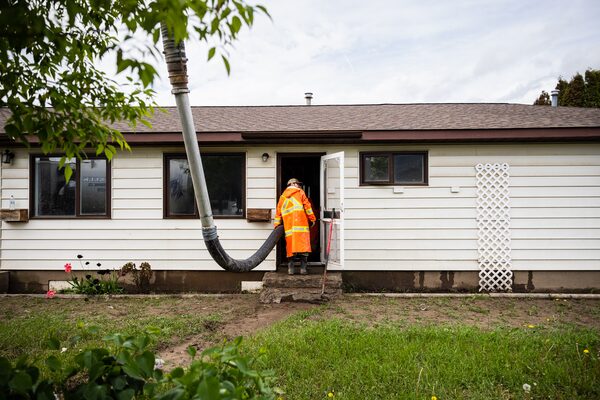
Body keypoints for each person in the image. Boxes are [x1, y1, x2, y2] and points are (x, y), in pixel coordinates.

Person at [274, 178, 317, 275]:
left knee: (291, 247)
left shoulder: (282, 197)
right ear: (292, 184)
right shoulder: (300, 193)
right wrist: (312, 219)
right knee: (303, 247)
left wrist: (276, 225)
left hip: (289, 228)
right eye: (298, 184)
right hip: (302, 226)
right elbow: (308, 207)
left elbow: (278, 213)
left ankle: (291, 269)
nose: (299, 186)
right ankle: (303, 269)